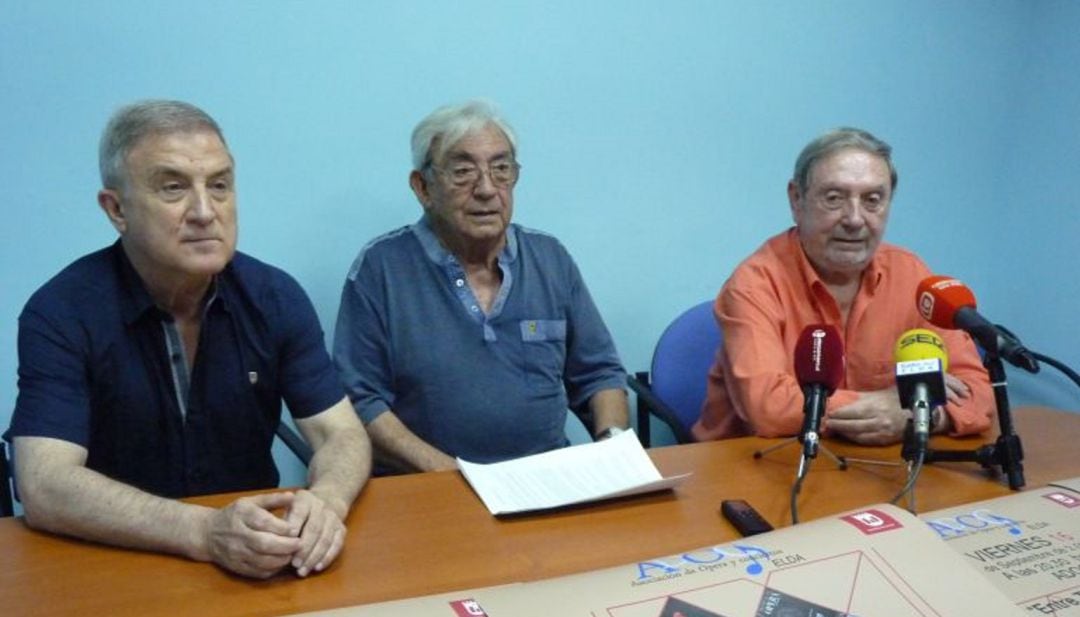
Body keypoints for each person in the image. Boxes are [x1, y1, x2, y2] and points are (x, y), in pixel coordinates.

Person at [4, 100, 372, 579]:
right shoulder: (61, 312)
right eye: (173, 187)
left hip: (256, 562)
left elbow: (341, 433)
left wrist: (327, 501)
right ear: (117, 209)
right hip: (115, 558)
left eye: (219, 185)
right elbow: (45, 483)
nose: (204, 211)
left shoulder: (275, 297)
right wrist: (202, 531)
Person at [333, 100, 628, 474]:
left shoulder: (550, 259)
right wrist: (458, 478)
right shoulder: (381, 269)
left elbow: (599, 374)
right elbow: (361, 400)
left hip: (546, 483)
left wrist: (614, 449)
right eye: (463, 171)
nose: (487, 189)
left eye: (501, 169)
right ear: (423, 187)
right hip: (429, 490)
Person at [692, 128, 993, 444]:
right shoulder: (755, 284)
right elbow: (768, 407)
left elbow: (976, 389)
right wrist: (892, 402)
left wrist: (923, 416)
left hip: (875, 466)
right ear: (797, 200)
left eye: (872, 200)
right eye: (834, 198)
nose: (854, 219)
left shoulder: (911, 276)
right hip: (754, 465)